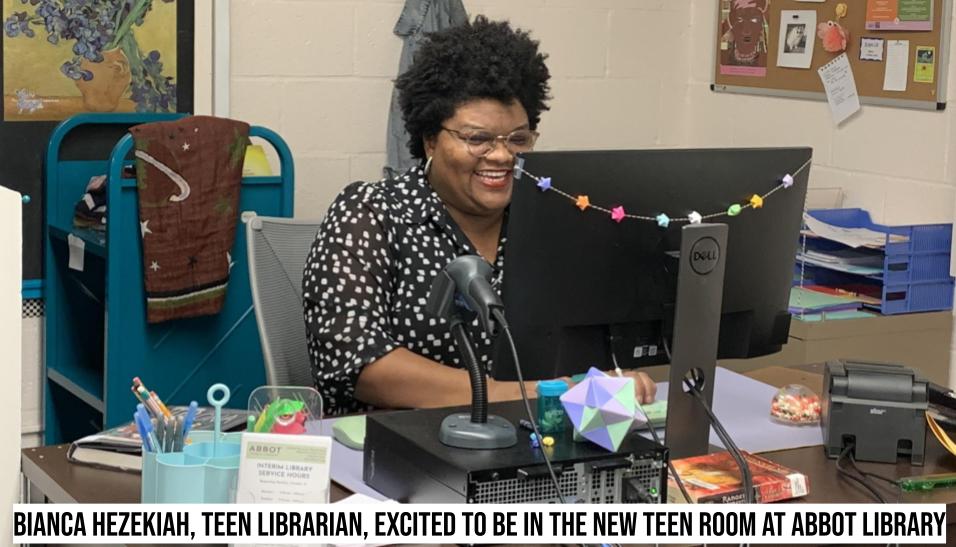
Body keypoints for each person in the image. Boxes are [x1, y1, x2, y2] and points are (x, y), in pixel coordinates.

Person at [303, 16, 657, 415]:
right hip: (392, 449)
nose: (503, 155)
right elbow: (362, 365)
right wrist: (549, 392)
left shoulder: (553, 220)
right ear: (431, 139)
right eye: (477, 138)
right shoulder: (370, 214)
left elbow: (591, 339)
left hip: (535, 441)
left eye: (518, 139)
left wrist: (613, 378)